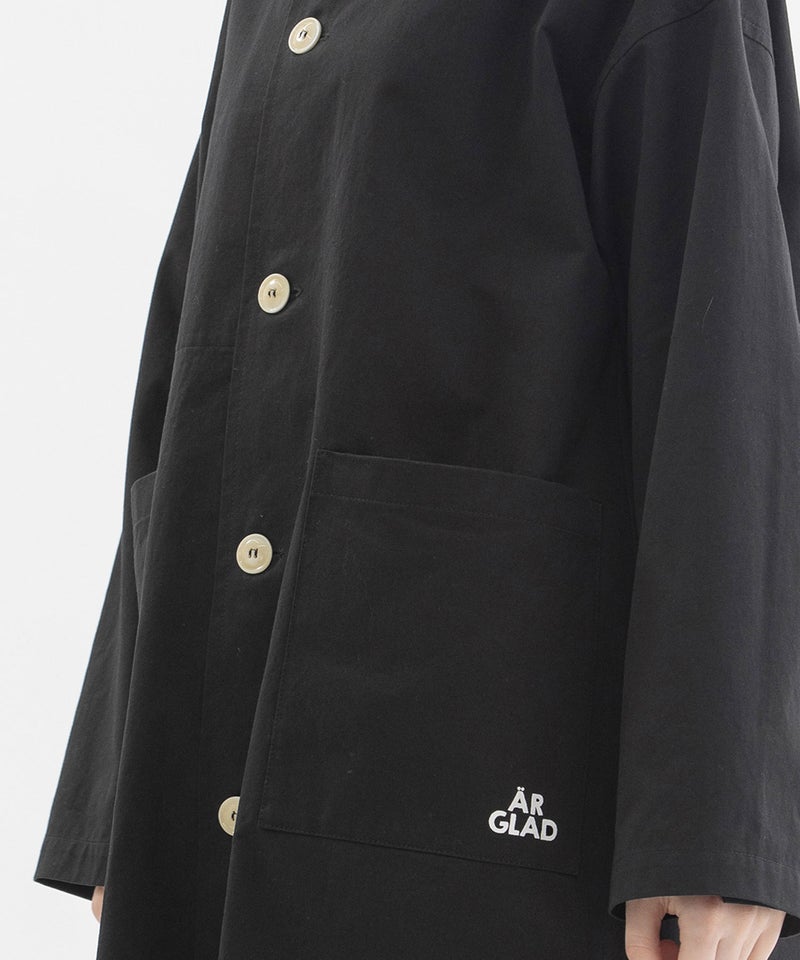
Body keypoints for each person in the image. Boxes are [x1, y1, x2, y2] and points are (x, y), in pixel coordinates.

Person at [33, 0, 800, 957]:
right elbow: (198, 343)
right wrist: (123, 783)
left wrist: (722, 826)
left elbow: (728, 359)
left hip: (500, 769)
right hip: (222, 761)